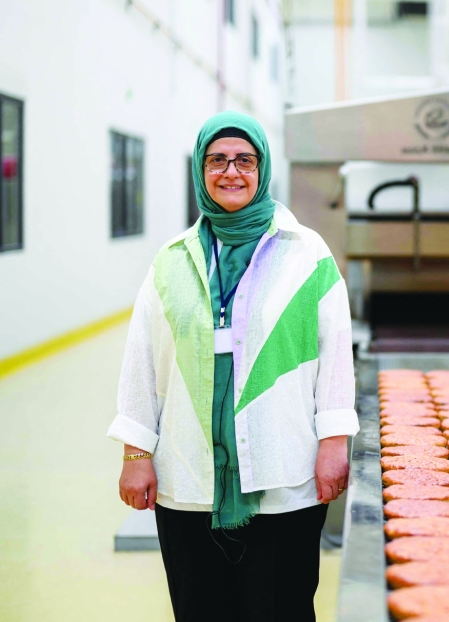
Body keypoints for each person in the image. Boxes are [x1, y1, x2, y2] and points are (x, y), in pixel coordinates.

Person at [108, 111, 358, 622]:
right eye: (217, 160)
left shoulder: (306, 252)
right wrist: (137, 452)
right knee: (200, 610)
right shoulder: (172, 260)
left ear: (263, 168)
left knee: (283, 608)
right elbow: (141, 358)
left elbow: (336, 352)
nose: (231, 172)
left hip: (283, 474)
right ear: (201, 170)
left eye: (245, 160)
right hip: (189, 478)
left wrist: (334, 441)